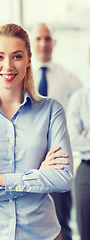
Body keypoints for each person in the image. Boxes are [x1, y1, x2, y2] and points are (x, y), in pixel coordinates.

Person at [0, 23, 73, 240]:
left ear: (29, 60)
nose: (8, 65)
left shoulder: (51, 110)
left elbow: (63, 178)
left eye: (16, 56)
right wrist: (36, 178)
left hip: (42, 233)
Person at [31, 23, 82, 240]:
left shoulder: (70, 79)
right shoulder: (20, 77)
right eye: (39, 39)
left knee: (61, 224)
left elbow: (84, 111)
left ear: (54, 42)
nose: (43, 43)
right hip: (29, 159)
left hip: (59, 160)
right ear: (32, 43)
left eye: (48, 38)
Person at [67, 87, 90, 240]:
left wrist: (86, 134)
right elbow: (73, 139)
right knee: (86, 228)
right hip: (87, 168)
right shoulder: (80, 97)